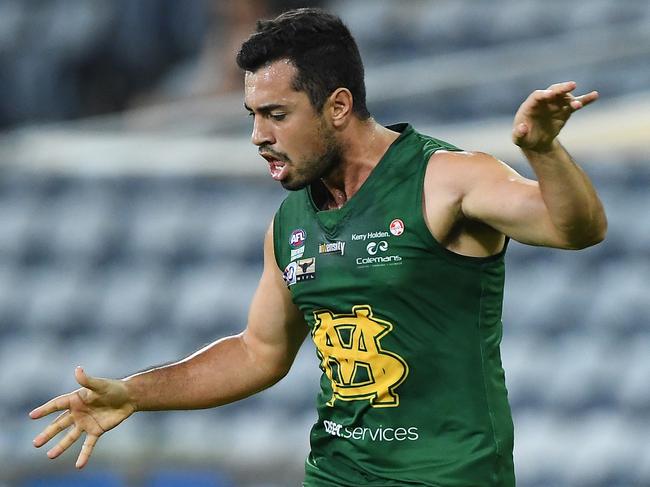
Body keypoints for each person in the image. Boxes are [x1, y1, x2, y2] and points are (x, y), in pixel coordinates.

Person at [30, 8, 607, 486]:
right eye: (253, 115)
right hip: (336, 474)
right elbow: (259, 351)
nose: (259, 135)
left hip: (449, 476)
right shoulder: (290, 221)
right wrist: (135, 392)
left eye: (277, 115)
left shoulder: (448, 178)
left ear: (337, 106)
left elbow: (576, 229)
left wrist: (544, 151)